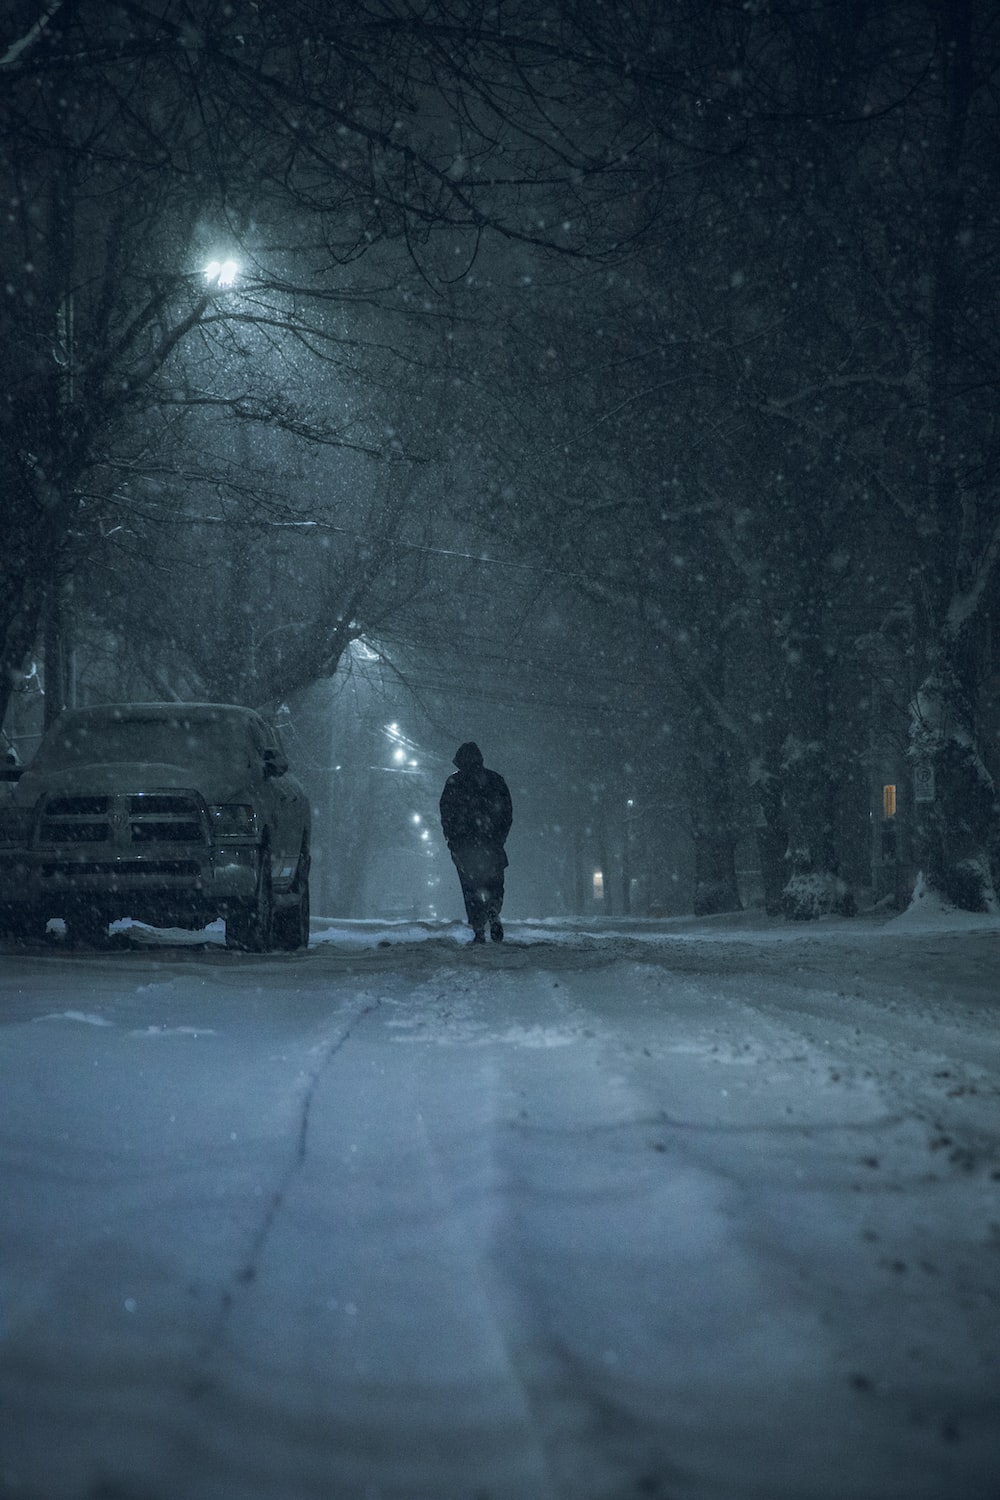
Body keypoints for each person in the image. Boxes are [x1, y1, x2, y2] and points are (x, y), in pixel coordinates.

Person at [439, 741, 512, 943]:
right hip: (491, 844)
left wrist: (453, 841)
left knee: (470, 886)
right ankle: (494, 909)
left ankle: (478, 929)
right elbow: (507, 813)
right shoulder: (495, 780)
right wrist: (498, 838)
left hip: (466, 846)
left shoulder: (454, 783)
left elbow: (447, 815)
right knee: (494, 882)